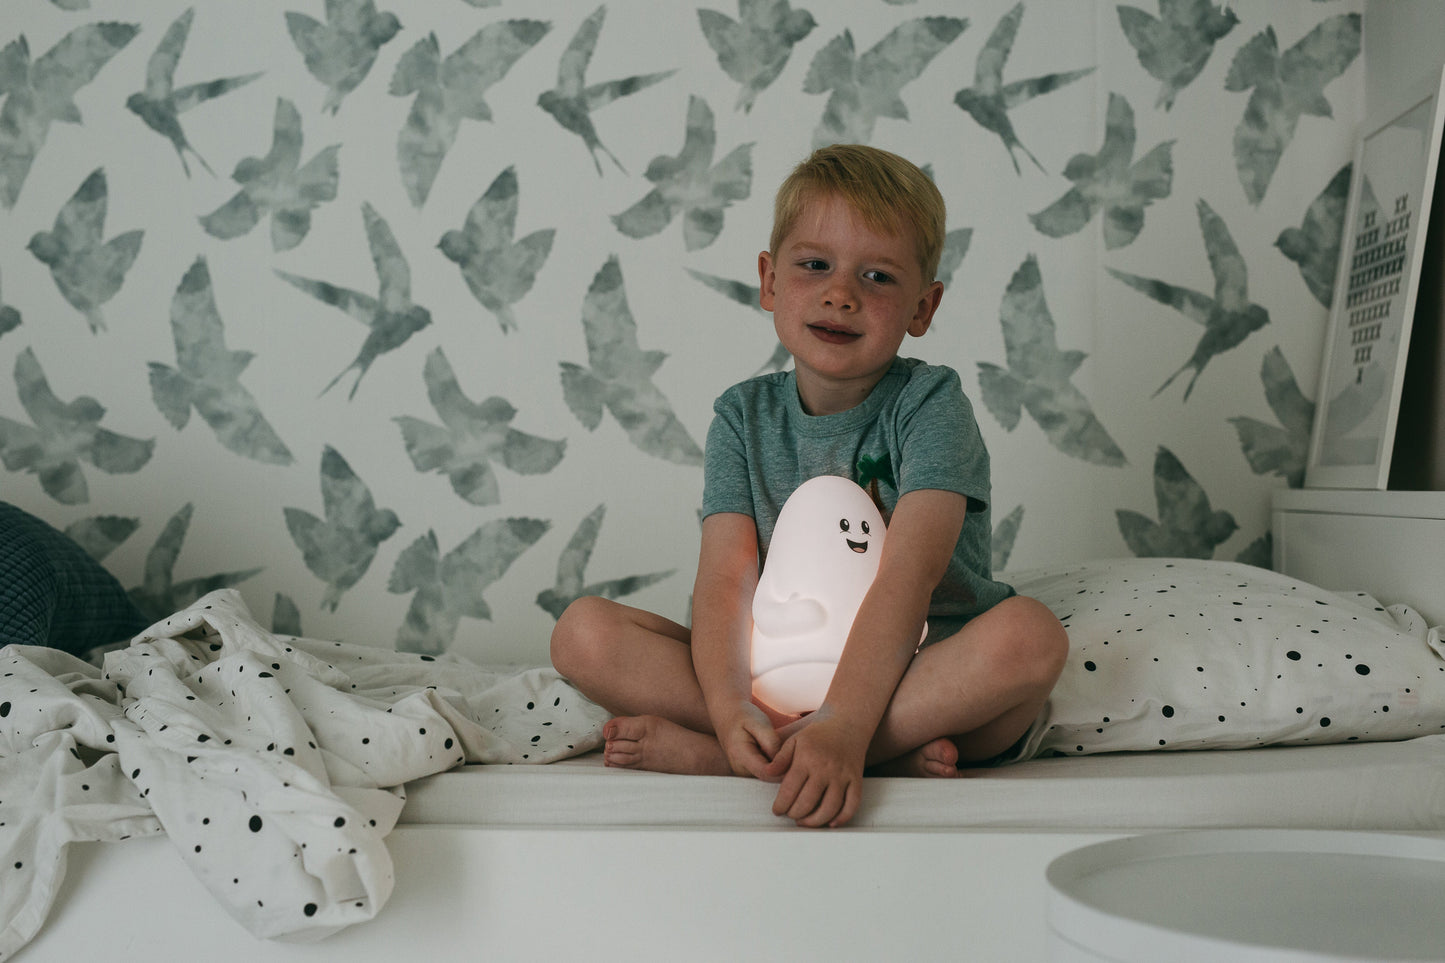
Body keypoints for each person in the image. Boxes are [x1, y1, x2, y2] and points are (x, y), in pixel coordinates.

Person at [550, 144, 1068, 828]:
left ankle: (764, 756)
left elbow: (909, 574)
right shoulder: (741, 416)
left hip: (917, 676)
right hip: (776, 675)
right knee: (582, 634)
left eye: (877, 276)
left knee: (1030, 639)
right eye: (815, 265)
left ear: (922, 307)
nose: (841, 293)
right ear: (769, 281)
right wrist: (730, 706)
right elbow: (725, 579)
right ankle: (789, 746)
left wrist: (846, 721)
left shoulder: (930, 405)